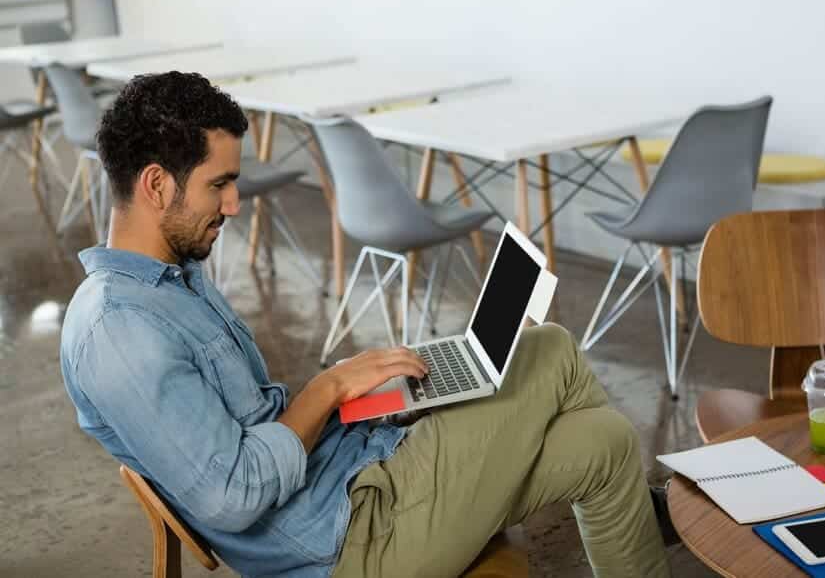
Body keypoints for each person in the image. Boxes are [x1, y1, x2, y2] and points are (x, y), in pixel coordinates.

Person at [59, 72, 672, 577]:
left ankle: (642, 509)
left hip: (350, 483)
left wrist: (363, 404)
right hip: (351, 543)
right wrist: (329, 388)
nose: (233, 204)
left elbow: (252, 432)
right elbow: (233, 495)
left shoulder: (169, 280)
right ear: (157, 185)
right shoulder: (120, 331)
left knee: (607, 443)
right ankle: (651, 511)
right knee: (550, 347)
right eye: (218, 185)